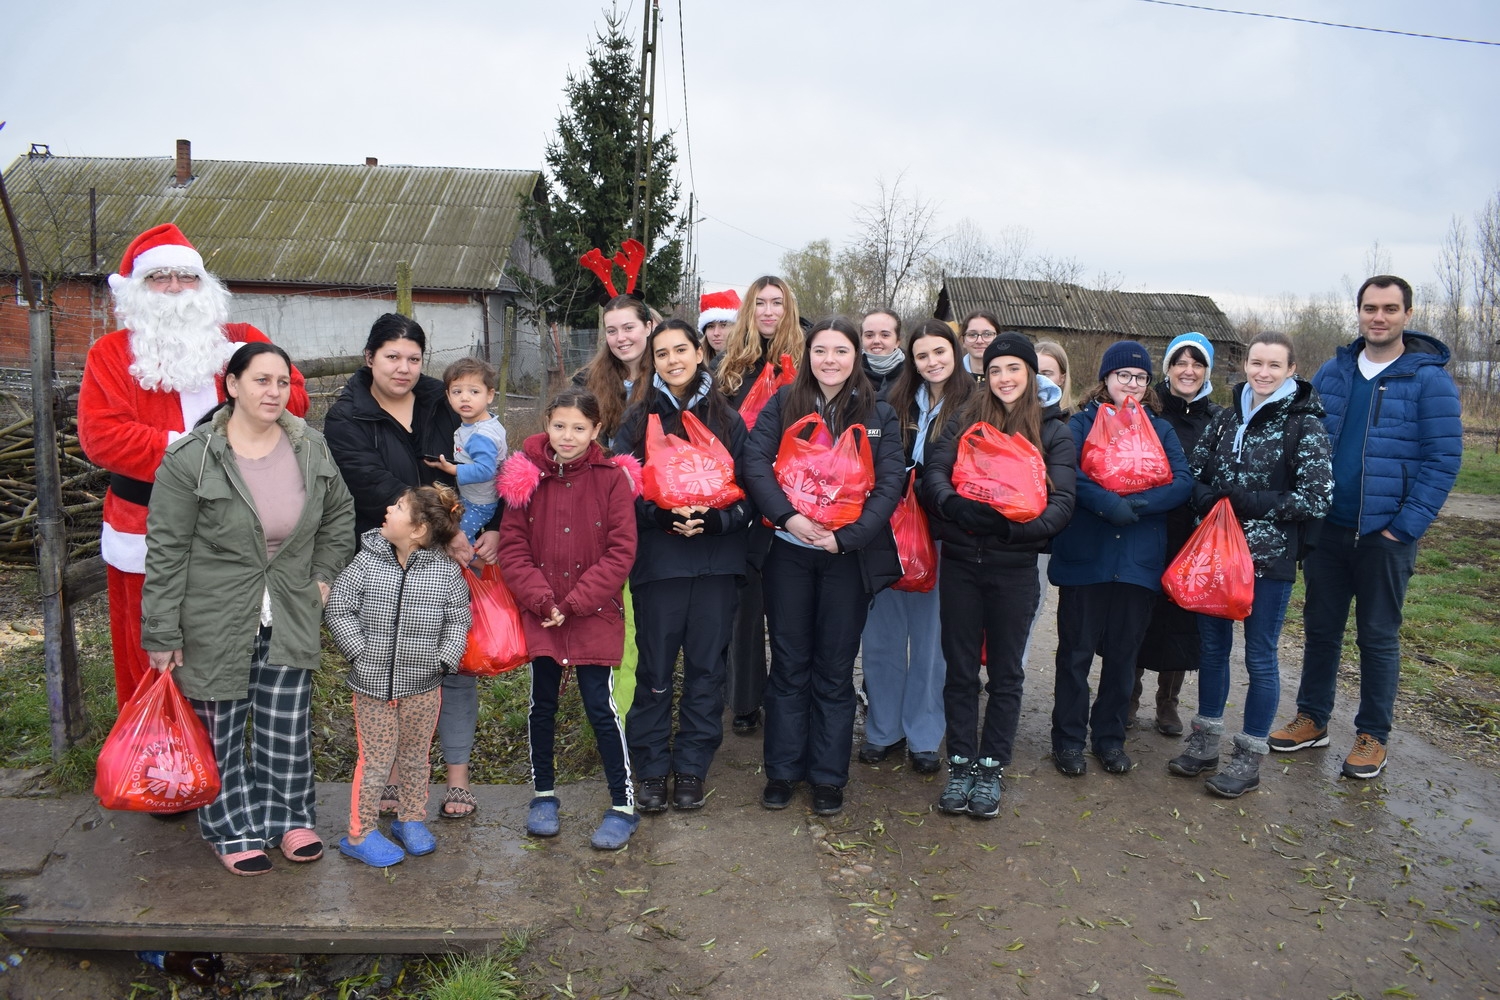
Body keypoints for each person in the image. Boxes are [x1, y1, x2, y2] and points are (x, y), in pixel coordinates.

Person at [140, 342, 353, 875]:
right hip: (214, 616)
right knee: (224, 727)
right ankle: (232, 828)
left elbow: (339, 515)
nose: (274, 392)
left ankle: (289, 818)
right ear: (232, 385)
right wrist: (162, 630)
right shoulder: (192, 457)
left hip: (290, 610)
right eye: (261, 380)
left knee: (286, 723)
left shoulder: (310, 448)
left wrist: (323, 579)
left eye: (282, 382)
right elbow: (166, 549)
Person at [78, 223, 309, 708]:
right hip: (145, 527)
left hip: (237, 528)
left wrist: (250, 392)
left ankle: (221, 770)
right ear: (138, 290)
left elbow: (296, 397)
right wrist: (201, 448)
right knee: (150, 660)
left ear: (205, 287)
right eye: (161, 277)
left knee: (234, 661)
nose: (176, 288)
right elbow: (102, 437)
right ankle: (154, 773)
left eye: (187, 277)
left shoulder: (240, 342)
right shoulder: (111, 355)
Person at [1269, 276, 1462, 779]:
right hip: (1327, 530)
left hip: (1385, 535)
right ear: (1357, 312)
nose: (1379, 317)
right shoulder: (1333, 372)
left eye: (1390, 309)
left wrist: (1405, 527)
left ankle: (1373, 734)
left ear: (1407, 314)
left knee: (1377, 637)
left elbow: (1443, 460)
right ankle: (1312, 718)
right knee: (1321, 630)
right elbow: (1299, 436)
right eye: (1370, 308)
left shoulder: (1429, 379)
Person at [323, 314, 498, 820]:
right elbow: (373, 483)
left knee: (456, 663)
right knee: (390, 669)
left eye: (413, 358)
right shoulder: (347, 418)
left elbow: (486, 467)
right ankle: (394, 779)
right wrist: (448, 527)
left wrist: (498, 523)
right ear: (369, 358)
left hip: (454, 552)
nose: (403, 368)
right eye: (392, 357)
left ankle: (458, 778)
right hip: (388, 556)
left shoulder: (442, 399)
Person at [741, 317, 905, 816]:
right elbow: (754, 462)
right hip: (788, 553)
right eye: (820, 350)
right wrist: (788, 518)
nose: (829, 360)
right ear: (807, 354)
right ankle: (783, 771)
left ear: (856, 356)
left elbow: (890, 481)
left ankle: (829, 776)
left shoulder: (878, 411)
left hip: (847, 559)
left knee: (834, 669)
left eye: (840, 350)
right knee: (790, 662)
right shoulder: (784, 401)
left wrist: (847, 537)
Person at [1167, 332, 1332, 796]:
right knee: (1213, 651)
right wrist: (1202, 496)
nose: (1262, 372)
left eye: (1273, 365)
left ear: (1291, 370)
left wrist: (1250, 501)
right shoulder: (1225, 418)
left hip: (1267, 559)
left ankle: (1249, 755)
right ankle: (1205, 742)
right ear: (1245, 366)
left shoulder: (1305, 424)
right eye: (1256, 363)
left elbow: (1317, 496)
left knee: (1260, 656)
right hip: (1217, 556)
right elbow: (1195, 470)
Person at [921, 334, 1076, 817]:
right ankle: (961, 762)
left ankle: (992, 766)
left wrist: (1012, 529)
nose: (1004, 378)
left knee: (1006, 672)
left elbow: (1063, 504)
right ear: (984, 375)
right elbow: (934, 476)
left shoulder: (1054, 431)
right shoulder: (966, 418)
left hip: (1014, 569)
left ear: (1030, 374)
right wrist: (959, 508)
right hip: (963, 564)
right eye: (995, 370)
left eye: (1014, 368)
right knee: (961, 669)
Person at [614, 320, 755, 812]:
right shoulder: (637, 420)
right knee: (654, 669)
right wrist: (656, 514)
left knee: (705, 670)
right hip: (660, 564)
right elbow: (620, 490)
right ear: (652, 360)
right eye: (662, 353)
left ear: (700, 353)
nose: (673, 360)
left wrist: (717, 522)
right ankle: (650, 768)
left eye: (682, 349)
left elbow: (752, 491)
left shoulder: (729, 419)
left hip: (717, 563)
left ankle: (693, 765)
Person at [497, 390, 642, 849]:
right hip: (542, 611)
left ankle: (622, 803)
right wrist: (542, 600)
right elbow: (513, 547)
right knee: (542, 703)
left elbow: (621, 551)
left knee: (602, 706)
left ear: (597, 431)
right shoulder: (524, 479)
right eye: (560, 426)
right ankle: (543, 795)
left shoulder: (612, 479)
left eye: (580, 427)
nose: (568, 436)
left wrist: (576, 601)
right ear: (546, 423)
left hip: (594, 610)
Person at [1048, 341, 1192, 777]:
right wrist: (1103, 502)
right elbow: (1065, 472)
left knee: (1124, 655)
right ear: (1106, 379)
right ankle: (1068, 740)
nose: (1131, 384)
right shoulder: (1082, 423)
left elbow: (1182, 481)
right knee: (1075, 653)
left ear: (1148, 385)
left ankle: (1109, 738)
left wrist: (1141, 504)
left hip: (1136, 559)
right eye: (1123, 375)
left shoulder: (1160, 429)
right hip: (1086, 556)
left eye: (1140, 377)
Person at [325, 485, 471, 866]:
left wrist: (443, 660)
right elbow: (339, 608)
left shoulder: (445, 572)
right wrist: (359, 652)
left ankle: (410, 819)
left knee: (415, 757)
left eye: (400, 506)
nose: (389, 509)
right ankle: (360, 833)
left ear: (419, 529)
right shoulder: (367, 561)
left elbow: (458, 620)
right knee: (374, 761)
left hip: (424, 686)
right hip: (373, 687)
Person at [857, 320, 973, 773]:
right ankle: (883, 729)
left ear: (954, 351)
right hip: (888, 532)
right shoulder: (891, 401)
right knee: (882, 637)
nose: (932, 363)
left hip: (943, 533)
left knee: (931, 641)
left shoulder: (974, 403)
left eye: (940, 352)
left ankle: (925, 734)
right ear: (913, 359)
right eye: (922, 355)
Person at [714, 277, 806, 736]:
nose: (769, 312)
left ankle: (790, 697)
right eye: (761, 304)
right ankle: (745, 701)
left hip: (797, 498)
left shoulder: (808, 362)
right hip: (744, 500)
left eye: (777, 303)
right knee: (745, 608)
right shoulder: (731, 366)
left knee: (790, 606)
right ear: (749, 310)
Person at [1133, 333, 1221, 736]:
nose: (1188, 370)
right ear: (1167, 368)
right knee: (1137, 614)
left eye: (1197, 363)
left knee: (1183, 619)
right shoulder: (1147, 411)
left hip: (1194, 534)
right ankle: (1127, 695)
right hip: (1149, 527)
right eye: (1180, 362)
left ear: (1207, 371)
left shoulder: (1218, 419)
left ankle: (1167, 701)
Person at [424, 357, 507, 546]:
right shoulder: (478, 425)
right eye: (457, 391)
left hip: (480, 504)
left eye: (474, 391)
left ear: (490, 395)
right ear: (448, 396)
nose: (465, 397)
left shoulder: (482, 435)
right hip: (471, 498)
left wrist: (452, 470)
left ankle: (479, 566)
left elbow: (486, 470)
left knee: (454, 540)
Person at [576, 295, 655, 446]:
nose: (620, 338)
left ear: (648, 327)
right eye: (612, 331)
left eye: (628, 328)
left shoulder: (666, 380)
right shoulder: (587, 382)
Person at [860, 309, 905, 394]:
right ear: (861, 339)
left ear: (897, 342)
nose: (876, 341)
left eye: (885, 335)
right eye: (869, 335)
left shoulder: (914, 374)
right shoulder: (849, 372)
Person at [697, 288, 742, 362]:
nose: (716, 333)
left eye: (723, 325)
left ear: (737, 328)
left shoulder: (751, 365)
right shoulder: (695, 364)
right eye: (711, 326)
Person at [958, 310, 1002, 383]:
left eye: (987, 334)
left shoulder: (1008, 376)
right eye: (972, 335)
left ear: (998, 338)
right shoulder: (952, 375)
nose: (979, 341)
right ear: (963, 340)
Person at [1035, 341, 1074, 416]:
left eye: (1046, 374)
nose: (1039, 379)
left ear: (1062, 379)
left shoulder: (1070, 423)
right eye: (1034, 373)